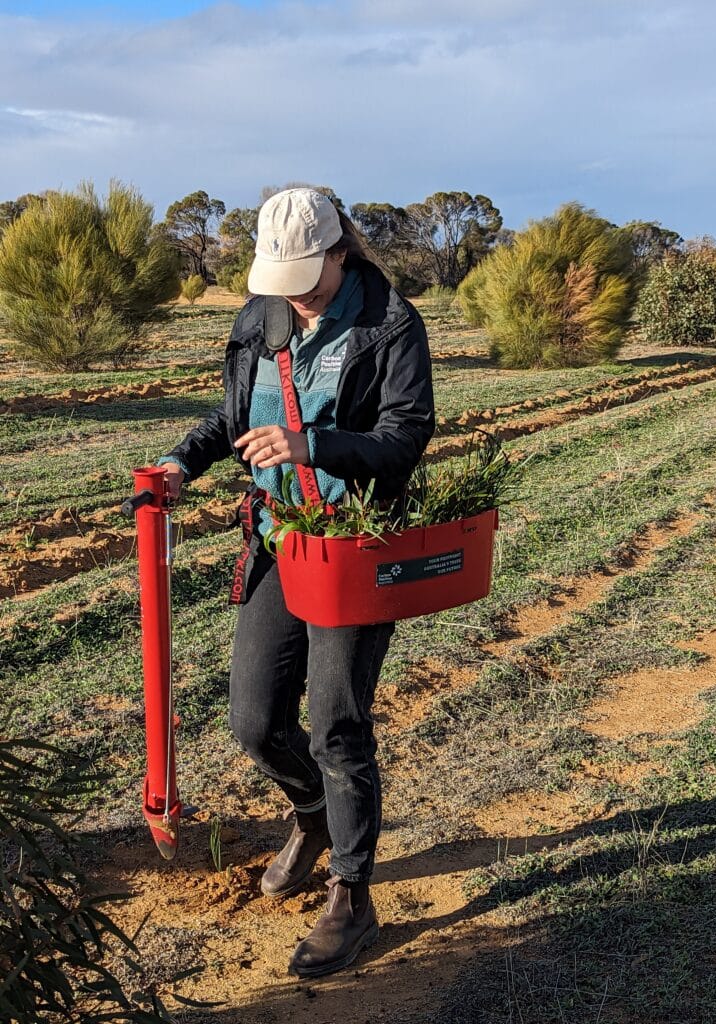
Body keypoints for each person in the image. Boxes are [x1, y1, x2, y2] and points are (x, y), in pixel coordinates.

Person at [158, 187, 435, 977]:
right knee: (254, 721)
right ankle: (311, 814)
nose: (292, 292)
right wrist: (184, 460)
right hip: (281, 541)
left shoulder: (389, 323)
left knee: (337, 726)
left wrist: (309, 444)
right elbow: (233, 418)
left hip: (351, 547)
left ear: (340, 250)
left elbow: (402, 439)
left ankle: (352, 893)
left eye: (305, 276)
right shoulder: (260, 317)